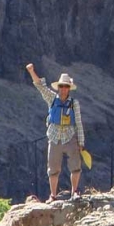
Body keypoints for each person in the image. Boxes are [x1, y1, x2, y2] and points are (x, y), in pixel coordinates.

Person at [25, 65, 86, 203]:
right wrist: (31, 71)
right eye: (62, 86)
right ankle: (53, 195)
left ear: (69, 88)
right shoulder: (52, 99)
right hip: (54, 137)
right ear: (58, 87)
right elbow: (40, 86)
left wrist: (81, 142)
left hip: (70, 136)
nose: (64, 89)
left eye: (66, 86)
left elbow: (78, 122)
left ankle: (75, 192)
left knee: (75, 166)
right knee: (53, 168)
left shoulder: (74, 103)